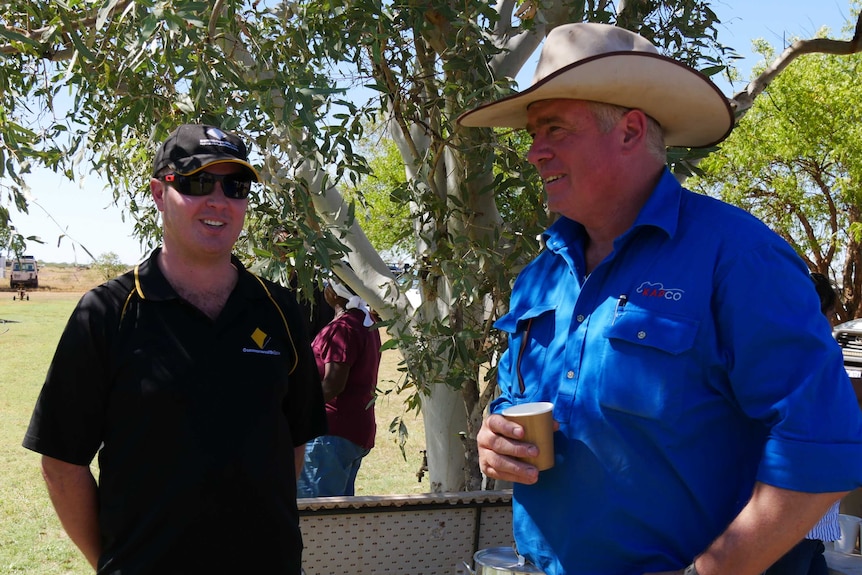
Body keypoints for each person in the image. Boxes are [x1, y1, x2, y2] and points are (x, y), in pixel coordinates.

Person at [457, 23, 862, 575]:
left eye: (553, 128)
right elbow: (515, 398)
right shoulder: (540, 277)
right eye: (532, 133)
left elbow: (821, 450)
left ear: (629, 131)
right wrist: (495, 434)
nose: (534, 153)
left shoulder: (739, 258)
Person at [22, 124, 327, 575]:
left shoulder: (279, 310)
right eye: (197, 182)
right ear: (158, 193)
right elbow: (62, 464)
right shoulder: (108, 312)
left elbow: (292, 446)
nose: (219, 200)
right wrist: (115, 563)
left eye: (235, 186)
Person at [763, 272, 841, 575]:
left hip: (810, 527)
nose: (832, 324)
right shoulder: (790, 361)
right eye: (830, 314)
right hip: (786, 524)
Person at [297, 274, 382, 497]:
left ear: (334, 293)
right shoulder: (365, 322)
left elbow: (333, 383)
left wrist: (298, 412)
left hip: (330, 433)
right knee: (339, 513)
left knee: (318, 513)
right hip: (354, 429)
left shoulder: (343, 328)